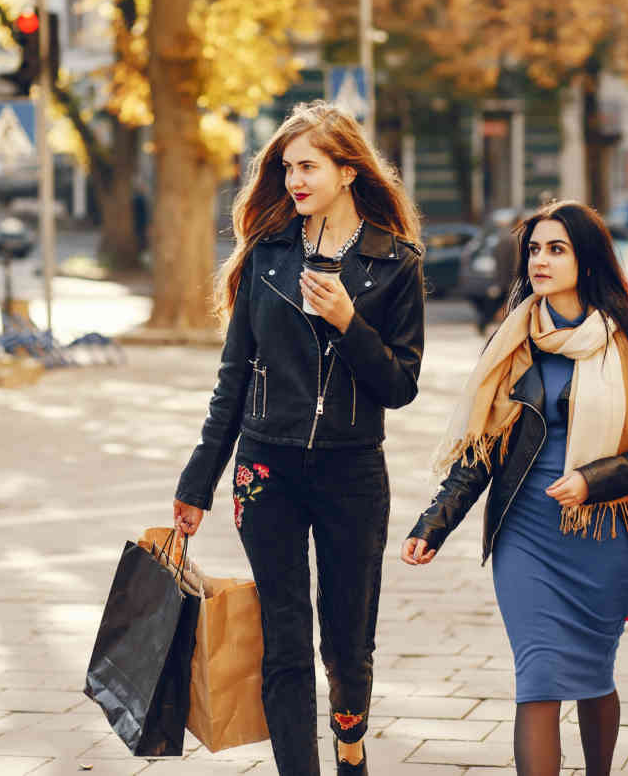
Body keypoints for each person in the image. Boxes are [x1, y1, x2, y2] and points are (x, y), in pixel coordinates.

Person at [173, 101, 425, 776]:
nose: (294, 180)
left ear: (348, 171)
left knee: (347, 645)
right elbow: (232, 380)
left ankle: (350, 748)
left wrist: (349, 322)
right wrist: (196, 483)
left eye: (308, 166)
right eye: (286, 168)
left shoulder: (395, 264)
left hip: (352, 473)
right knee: (284, 641)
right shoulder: (268, 257)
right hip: (267, 472)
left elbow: (400, 385)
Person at [401, 200, 628, 776]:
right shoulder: (512, 342)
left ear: (588, 259)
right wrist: (435, 521)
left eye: (557, 249)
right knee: (538, 678)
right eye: (534, 249)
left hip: (602, 536)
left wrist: (593, 480)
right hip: (525, 532)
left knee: (593, 675)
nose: (541, 261)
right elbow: (483, 451)